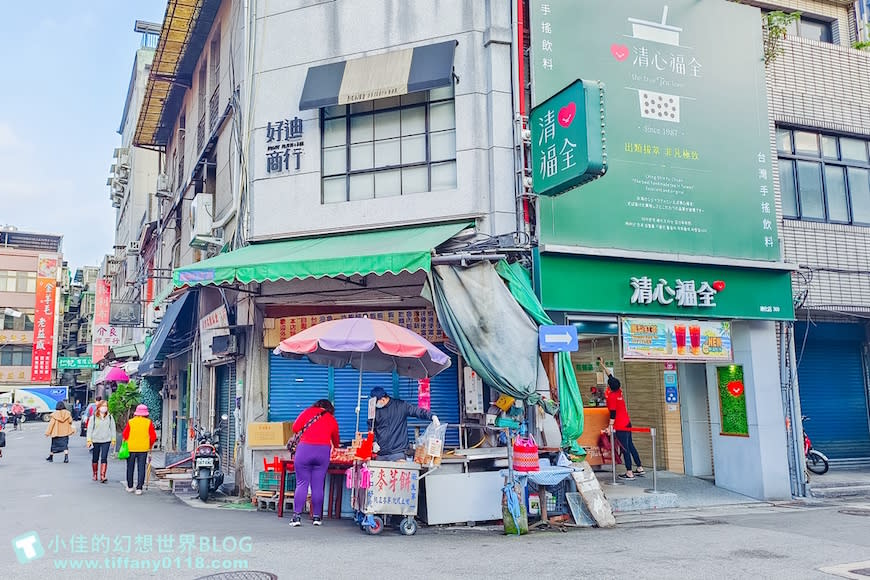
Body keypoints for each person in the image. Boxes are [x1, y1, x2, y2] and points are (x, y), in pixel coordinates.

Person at [288, 399, 340, 528]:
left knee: (302, 484)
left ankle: (296, 517)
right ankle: (317, 517)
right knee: (317, 485)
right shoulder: (331, 419)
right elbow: (336, 441)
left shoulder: (308, 412)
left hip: (305, 450)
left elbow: (295, 428)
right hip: (323, 452)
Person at [598, 358, 644, 479]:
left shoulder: (612, 397)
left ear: (609, 387)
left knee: (625, 449)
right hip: (627, 423)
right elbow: (611, 376)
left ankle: (629, 472)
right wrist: (602, 365)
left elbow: (613, 414)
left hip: (620, 425)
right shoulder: (619, 391)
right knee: (631, 445)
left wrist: (609, 427)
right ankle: (639, 467)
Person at [369, 387, 438, 462]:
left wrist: (432, 416)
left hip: (398, 453)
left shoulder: (401, 406)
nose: (375, 405)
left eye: (376, 402)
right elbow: (371, 427)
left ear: (383, 399)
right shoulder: (375, 411)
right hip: (381, 453)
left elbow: (417, 411)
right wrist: (374, 442)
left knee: (398, 472)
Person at [121, 404, 157, 495]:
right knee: (141, 468)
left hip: (131, 448)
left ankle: (130, 486)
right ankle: (139, 488)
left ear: (136, 413)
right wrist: (150, 446)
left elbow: (125, 435)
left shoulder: (131, 422)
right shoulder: (148, 422)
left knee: (130, 467)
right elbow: (153, 437)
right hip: (143, 448)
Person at [87, 400, 116, 483]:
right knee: (95, 457)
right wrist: (89, 440)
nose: (104, 407)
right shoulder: (93, 417)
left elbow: (113, 428)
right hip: (96, 440)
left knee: (104, 457)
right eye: (103, 406)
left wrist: (113, 439)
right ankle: (95, 473)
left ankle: (103, 475)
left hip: (106, 440)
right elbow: (89, 429)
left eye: (106, 406)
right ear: (99, 407)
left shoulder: (110, 417)